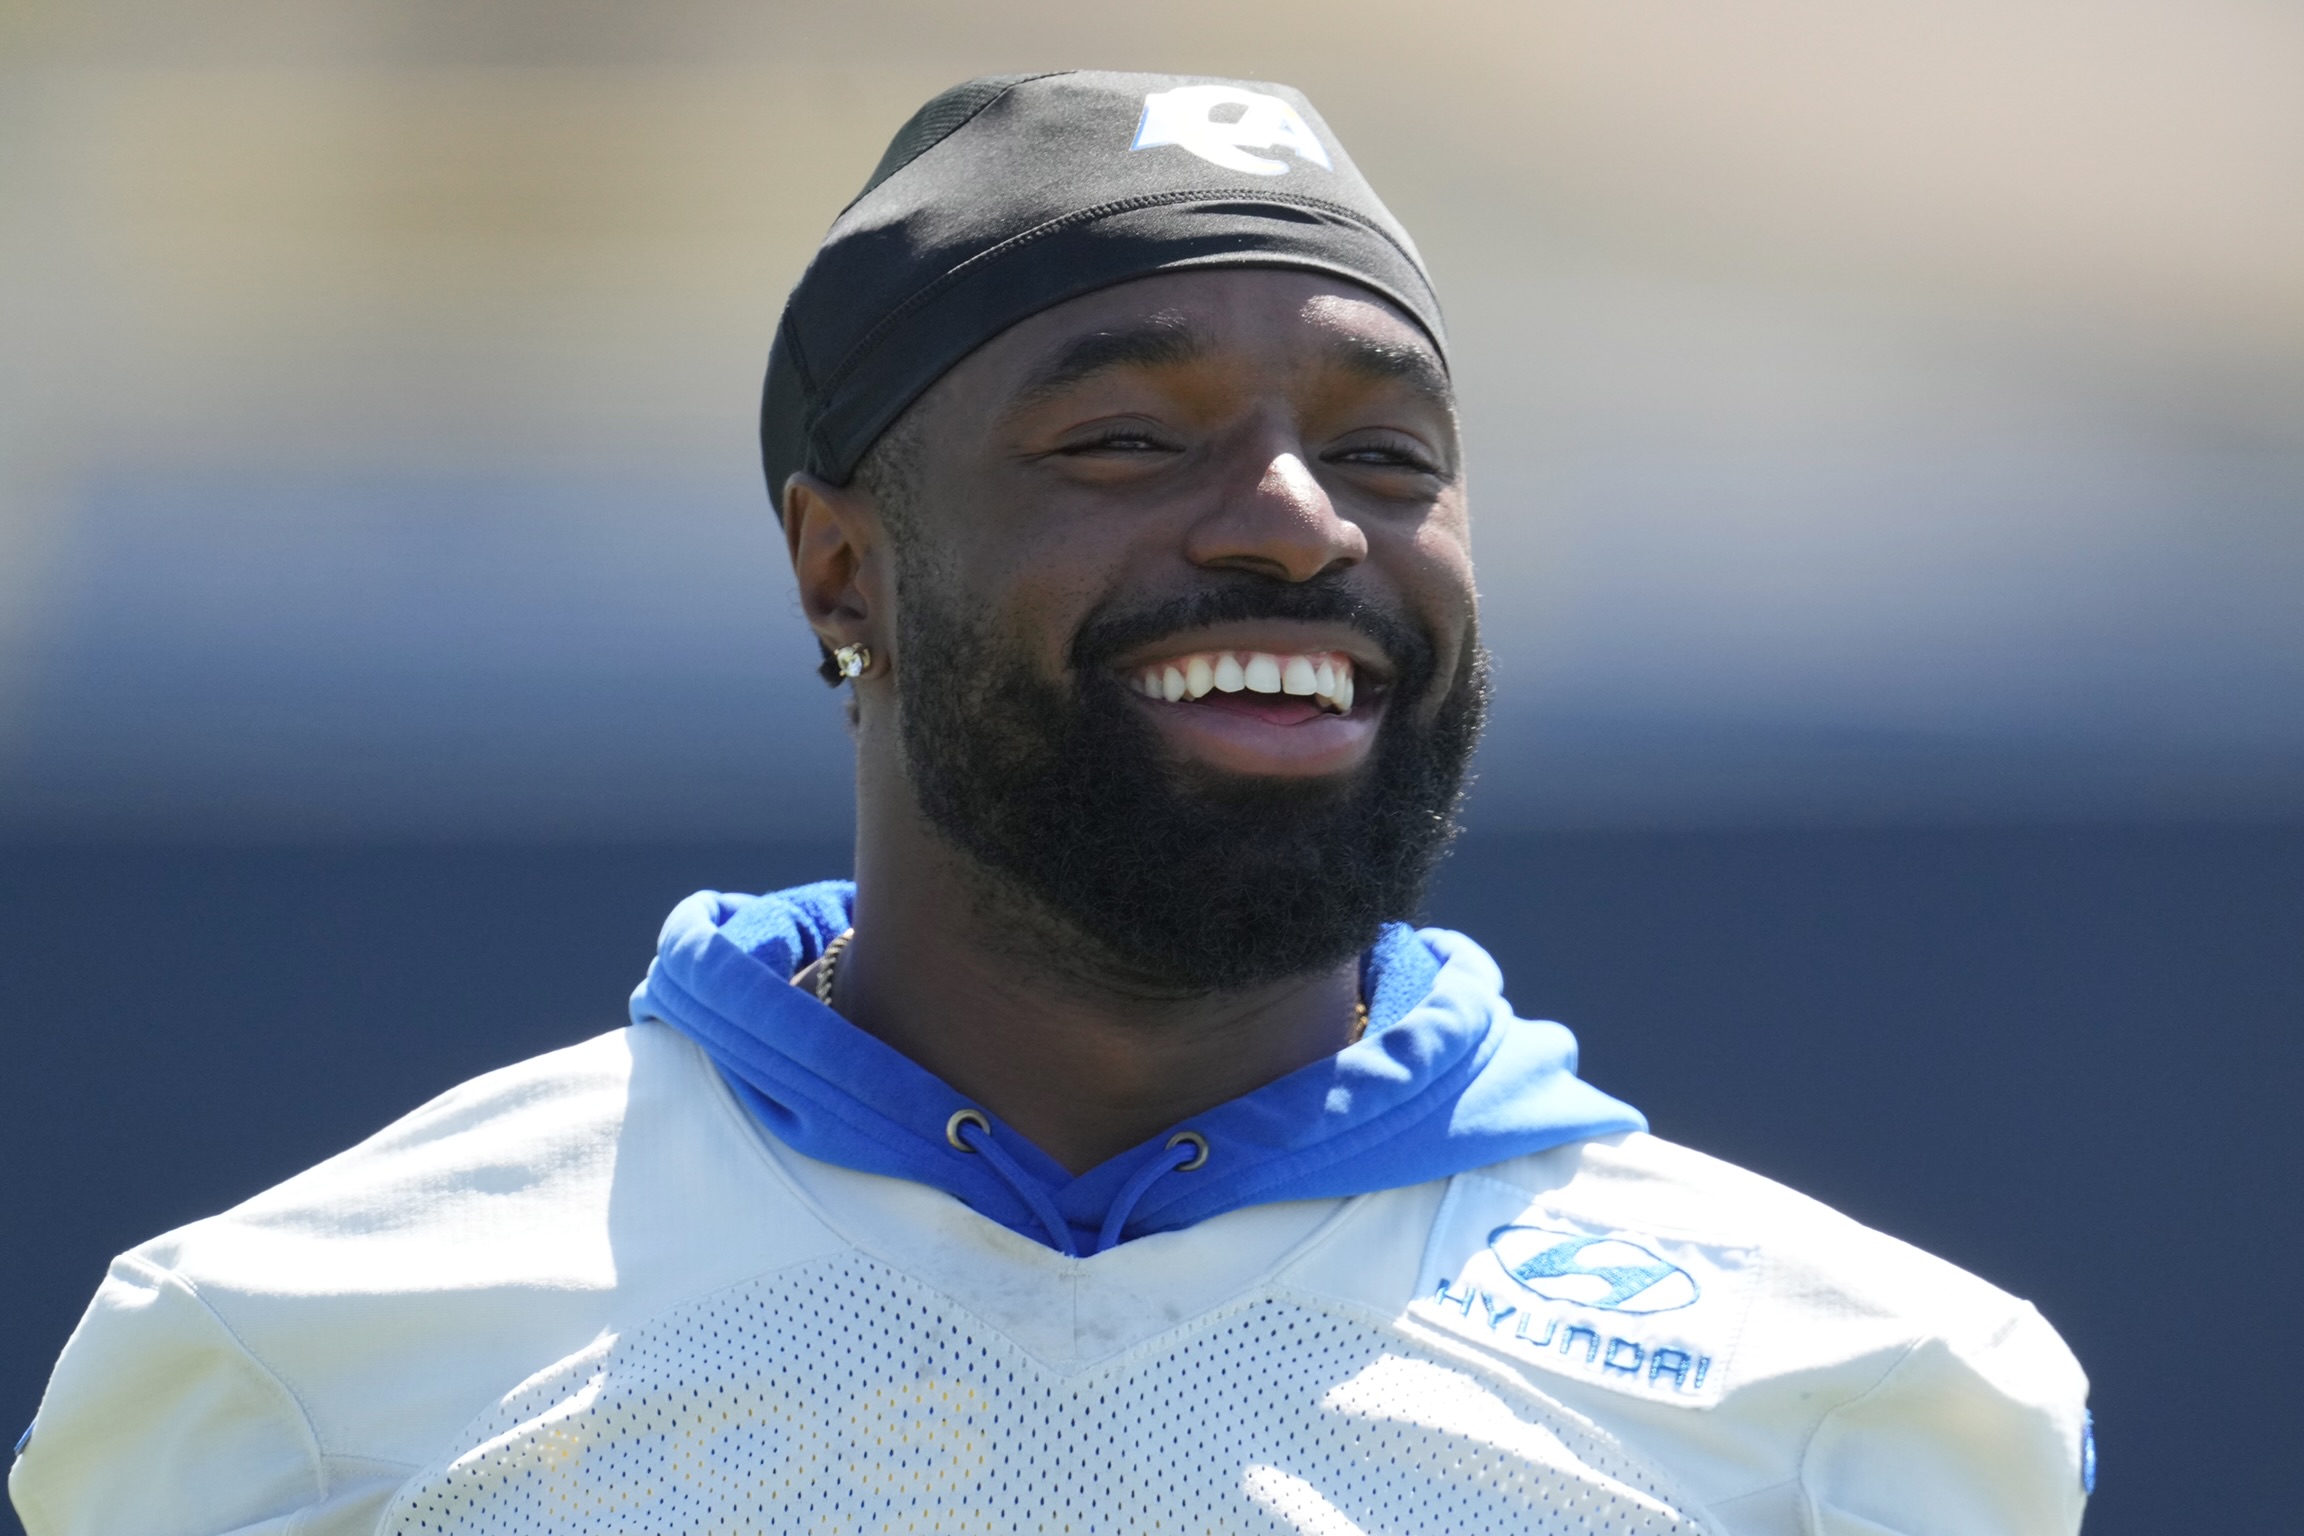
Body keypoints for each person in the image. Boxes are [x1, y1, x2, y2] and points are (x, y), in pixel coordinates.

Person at [9, 71, 2092, 1536]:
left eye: (1388, 452)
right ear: (846, 570)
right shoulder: (295, 1361)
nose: (1294, 523)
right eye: (1121, 435)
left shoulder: (1862, 1401)